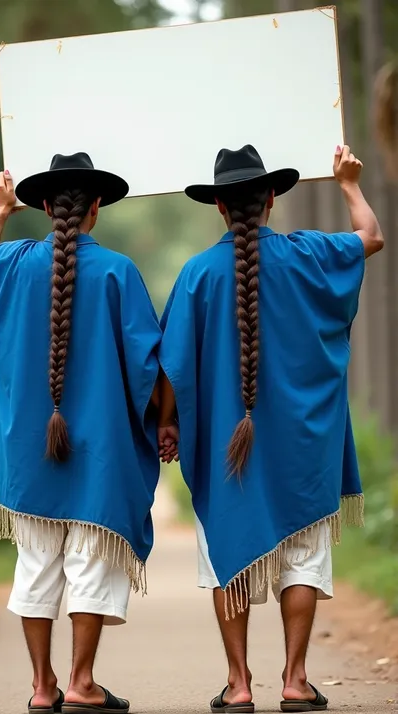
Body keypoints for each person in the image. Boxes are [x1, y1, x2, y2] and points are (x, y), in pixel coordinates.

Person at [158, 144, 383, 713]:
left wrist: (168, 424)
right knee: (303, 555)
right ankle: (295, 678)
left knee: (227, 555)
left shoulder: (195, 275)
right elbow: (371, 238)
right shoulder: (308, 255)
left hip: (221, 445)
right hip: (303, 442)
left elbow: (171, 366)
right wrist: (349, 184)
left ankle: (237, 685)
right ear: (272, 198)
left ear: (217, 207)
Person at [0, 153, 162, 714]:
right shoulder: (118, 271)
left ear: (46, 207)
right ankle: (82, 683)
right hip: (99, 453)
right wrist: (164, 423)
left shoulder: (12, 263)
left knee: (35, 566)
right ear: (97, 209)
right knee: (90, 566)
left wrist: (1, 210)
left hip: (26, 452)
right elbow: (148, 365)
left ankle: (42, 686)